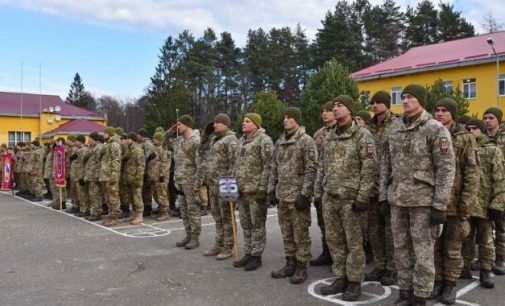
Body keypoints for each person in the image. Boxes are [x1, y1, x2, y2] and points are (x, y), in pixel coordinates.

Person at [380, 84, 455, 305]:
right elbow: (385, 163)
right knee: (400, 248)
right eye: (402, 97)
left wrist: (440, 205)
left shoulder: (434, 128)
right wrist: (384, 196)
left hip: (423, 201)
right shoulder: (394, 127)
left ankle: (420, 295)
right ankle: (404, 291)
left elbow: (446, 168)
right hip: (398, 199)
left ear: (420, 100)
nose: (405, 101)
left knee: (423, 251)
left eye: (410, 97)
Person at [314, 95, 377, 300]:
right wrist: (318, 192)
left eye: (340, 105)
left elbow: (369, 169)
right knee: (335, 241)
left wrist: (363, 197)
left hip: (351, 199)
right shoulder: (329, 135)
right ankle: (340, 277)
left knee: (354, 243)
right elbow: (321, 166)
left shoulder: (362, 135)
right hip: (330, 197)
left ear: (350, 110)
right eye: (334, 106)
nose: (336, 108)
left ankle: (354, 282)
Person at [431, 98, 478, 304]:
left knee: (452, 248)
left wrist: (466, 205)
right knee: (433, 247)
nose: (439, 114)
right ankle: (437, 282)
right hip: (433, 202)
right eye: (437, 110)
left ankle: (450, 284)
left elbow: (472, 173)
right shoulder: (431, 133)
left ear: (453, 114)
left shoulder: (465, 138)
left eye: (444, 110)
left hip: (455, 204)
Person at [268, 107, 317, 284]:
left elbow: (312, 169)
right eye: (284, 117)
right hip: (282, 195)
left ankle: (302, 267)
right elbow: (274, 166)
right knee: (286, 232)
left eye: (289, 117)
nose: (285, 120)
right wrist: (271, 189)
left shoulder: (306, 141)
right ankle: (290, 263)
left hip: (297, 197)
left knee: (301, 233)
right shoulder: (280, 141)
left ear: (297, 120)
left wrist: (305, 194)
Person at [462, 119, 505, 289]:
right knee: (465, 238)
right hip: (466, 203)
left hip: (484, 204)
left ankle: (485, 271)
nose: (471, 131)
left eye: (474, 128)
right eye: (468, 128)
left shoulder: (492, 150)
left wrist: (497, 203)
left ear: (481, 130)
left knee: (486, 240)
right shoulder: (464, 149)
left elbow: (499, 179)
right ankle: (464, 267)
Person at [365, 90, 401, 286]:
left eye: (379, 102)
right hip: (371, 186)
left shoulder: (398, 124)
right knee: (374, 230)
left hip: (390, 185)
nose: (375, 105)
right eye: (373, 102)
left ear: (387, 104)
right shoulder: (368, 127)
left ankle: (392, 268)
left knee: (390, 230)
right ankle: (379, 264)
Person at [233, 113, 273, 271]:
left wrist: (264, 188)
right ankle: (248, 252)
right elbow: (236, 164)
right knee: (246, 224)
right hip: (242, 190)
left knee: (257, 225)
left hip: (256, 191)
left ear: (256, 124)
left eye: (247, 121)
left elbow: (269, 165)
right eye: (243, 121)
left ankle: (257, 256)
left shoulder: (264, 140)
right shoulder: (241, 140)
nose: (243, 123)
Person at [165, 115, 204, 249]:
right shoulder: (179, 141)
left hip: (191, 182)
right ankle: (188, 235)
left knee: (193, 210)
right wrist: (170, 131)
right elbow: (165, 144)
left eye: (180, 124)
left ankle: (195, 237)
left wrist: (198, 184)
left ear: (187, 125)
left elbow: (201, 165)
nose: (178, 127)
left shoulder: (197, 141)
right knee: (184, 210)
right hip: (179, 181)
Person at [202, 114, 238, 260]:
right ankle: (219, 243)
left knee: (227, 216)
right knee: (217, 216)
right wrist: (205, 133)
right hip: (213, 183)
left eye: (217, 123)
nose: (214, 125)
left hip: (226, 183)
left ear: (225, 124)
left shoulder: (231, 139)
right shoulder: (214, 139)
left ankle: (228, 246)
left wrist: (230, 186)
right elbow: (201, 148)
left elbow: (234, 163)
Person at [310, 101, 336, 267]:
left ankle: (339, 257)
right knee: (323, 222)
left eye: (328, 110)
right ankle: (327, 253)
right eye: (323, 111)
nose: (325, 114)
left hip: (339, 183)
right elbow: (314, 161)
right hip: (322, 183)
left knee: (338, 226)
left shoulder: (341, 130)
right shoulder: (318, 134)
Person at [483, 107, 505, 276]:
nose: (487, 120)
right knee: (485, 226)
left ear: (498, 120)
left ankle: (500, 257)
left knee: (501, 224)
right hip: (485, 186)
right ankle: (485, 258)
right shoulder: (481, 137)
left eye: (491, 117)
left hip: (501, 185)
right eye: (485, 118)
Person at [99, 127, 122, 227]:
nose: (104, 135)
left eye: (105, 133)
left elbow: (116, 160)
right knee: (108, 197)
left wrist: (114, 174)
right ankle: (110, 215)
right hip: (105, 174)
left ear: (109, 134)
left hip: (110, 175)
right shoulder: (108, 144)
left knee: (113, 197)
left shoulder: (114, 145)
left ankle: (114, 218)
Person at [147, 132, 171, 221]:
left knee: (162, 195)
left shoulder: (164, 149)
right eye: (153, 138)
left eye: (156, 138)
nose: (154, 140)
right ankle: (161, 211)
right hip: (153, 176)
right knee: (156, 195)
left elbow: (166, 163)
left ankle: (165, 212)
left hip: (161, 177)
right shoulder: (154, 148)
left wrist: (162, 174)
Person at [124, 132, 146, 225]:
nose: (126, 140)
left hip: (136, 178)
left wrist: (138, 178)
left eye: (128, 139)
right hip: (129, 177)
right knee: (131, 197)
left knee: (137, 197)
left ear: (131, 139)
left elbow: (141, 165)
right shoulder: (129, 150)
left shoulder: (138, 150)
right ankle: (134, 213)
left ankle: (140, 215)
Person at [85, 132, 104, 221]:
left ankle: (97, 213)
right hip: (92, 175)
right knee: (92, 194)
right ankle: (94, 212)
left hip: (95, 175)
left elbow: (98, 163)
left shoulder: (98, 148)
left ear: (93, 139)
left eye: (90, 139)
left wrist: (96, 175)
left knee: (95, 195)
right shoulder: (94, 148)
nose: (88, 141)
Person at [138, 128, 156, 217]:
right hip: (144, 169)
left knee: (146, 189)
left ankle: (148, 207)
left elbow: (148, 157)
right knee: (144, 189)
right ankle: (146, 206)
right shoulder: (142, 144)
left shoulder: (147, 144)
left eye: (139, 135)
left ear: (141, 135)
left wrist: (143, 166)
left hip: (146, 169)